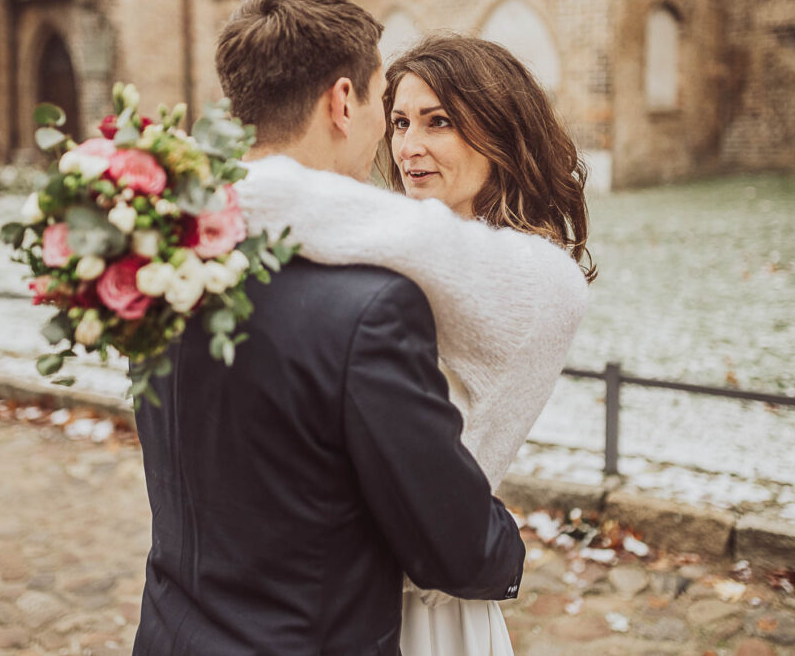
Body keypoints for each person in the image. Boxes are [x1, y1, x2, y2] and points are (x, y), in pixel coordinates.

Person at [132, 0, 526, 656]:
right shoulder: (370, 306)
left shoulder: (158, 258)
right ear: (344, 101)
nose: (390, 137)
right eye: (384, 105)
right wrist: (509, 550)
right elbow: (453, 545)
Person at [237, 33, 594, 655]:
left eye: (440, 122)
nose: (408, 148)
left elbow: (302, 205)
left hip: (422, 600)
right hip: (337, 585)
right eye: (399, 122)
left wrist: (172, 193)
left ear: (504, 131)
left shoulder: (537, 277)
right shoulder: (404, 250)